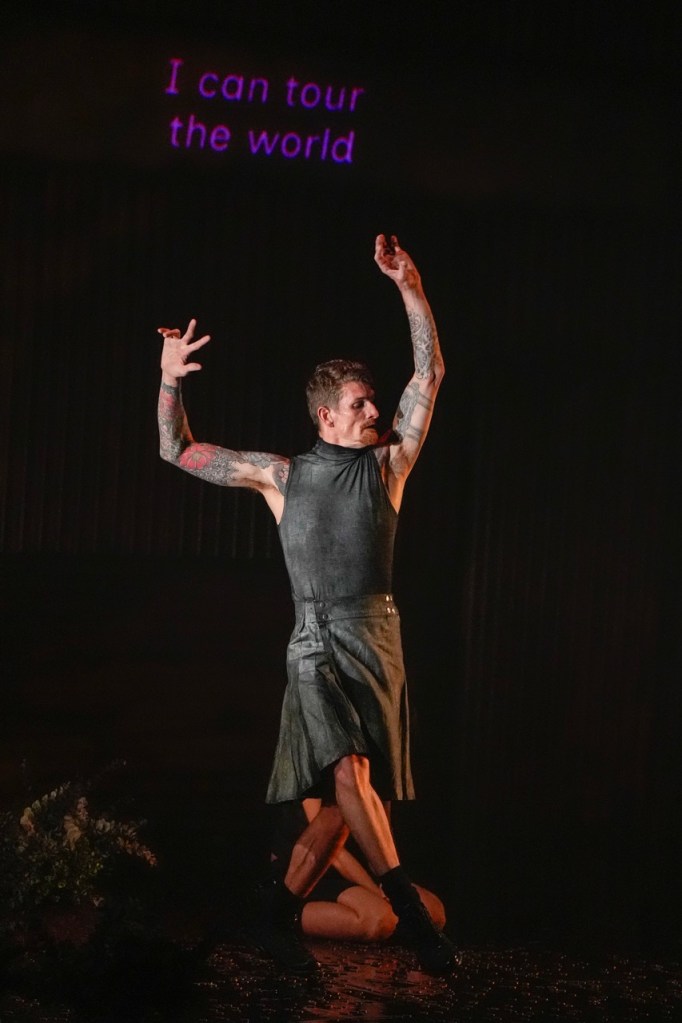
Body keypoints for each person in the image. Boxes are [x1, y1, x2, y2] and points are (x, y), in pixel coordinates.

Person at [157, 234, 457, 974]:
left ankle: (271, 913)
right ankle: (412, 915)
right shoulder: (281, 475)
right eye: (360, 403)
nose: (374, 408)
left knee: (347, 803)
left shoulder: (388, 466)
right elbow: (177, 449)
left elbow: (430, 372)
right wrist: (169, 380)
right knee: (349, 775)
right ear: (326, 416)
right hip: (315, 641)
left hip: (375, 637)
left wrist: (410, 284)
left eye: (373, 399)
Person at [272, 799, 446, 943]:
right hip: (310, 868)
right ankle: (279, 915)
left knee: (434, 913)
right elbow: (329, 849)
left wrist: (391, 885)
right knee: (379, 919)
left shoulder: (379, 773)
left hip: (354, 867)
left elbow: (381, 841)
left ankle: (386, 923)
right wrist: (376, 892)